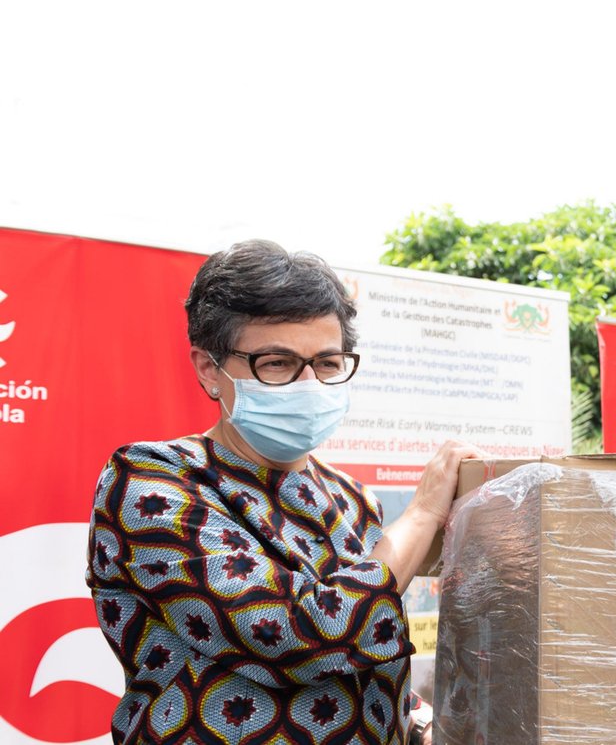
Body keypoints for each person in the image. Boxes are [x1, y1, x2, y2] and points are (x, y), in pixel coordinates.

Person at [86, 240, 484, 744]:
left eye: (327, 362)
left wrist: (417, 720)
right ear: (210, 369)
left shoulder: (350, 498)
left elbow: (363, 652)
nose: (309, 384)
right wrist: (424, 511)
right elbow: (299, 634)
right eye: (276, 363)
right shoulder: (153, 480)